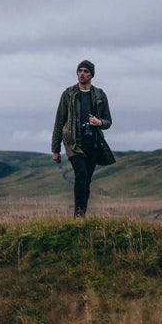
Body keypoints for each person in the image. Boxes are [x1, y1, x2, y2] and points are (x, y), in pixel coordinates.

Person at [52, 59, 116, 217]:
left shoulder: (100, 95)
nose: (82, 74)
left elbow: (108, 121)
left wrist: (99, 122)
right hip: (73, 143)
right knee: (81, 175)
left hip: (93, 143)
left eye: (86, 71)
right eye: (80, 71)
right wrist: (55, 149)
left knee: (86, 180)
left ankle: (82, 213)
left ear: (92, 75)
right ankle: (78, 213)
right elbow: (59, 121)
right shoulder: (68, 94)